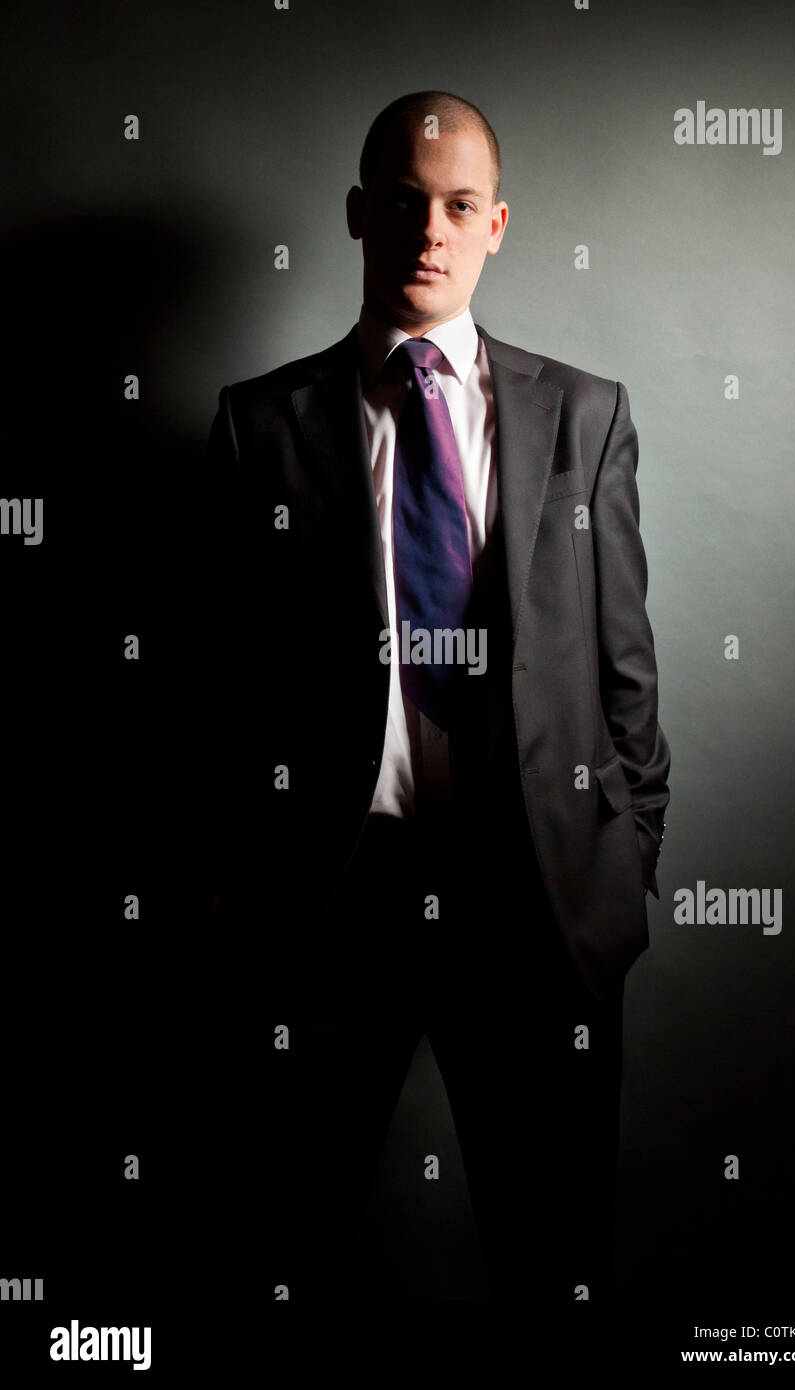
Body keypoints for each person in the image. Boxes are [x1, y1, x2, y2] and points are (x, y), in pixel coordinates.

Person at [201, 90, 671, 1303]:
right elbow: (216, 688)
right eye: (405, 205)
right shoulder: (261, 427)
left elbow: (625, 671)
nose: (430, 231)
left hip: (533, 897)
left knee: (554, 1251)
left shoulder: (582, 415)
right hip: (329, 892)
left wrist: (620, 867)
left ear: (497, 223)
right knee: (287, 1243)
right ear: (358, 213)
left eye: (460, 206)